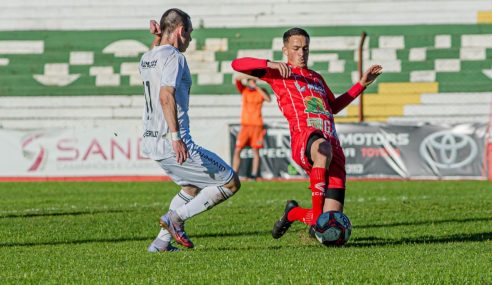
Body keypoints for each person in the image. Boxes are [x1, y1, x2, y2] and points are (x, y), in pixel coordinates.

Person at [231, 27, 382, 239]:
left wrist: (361, 85)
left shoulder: (316, 78)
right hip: (306, 137)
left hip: (332, 145)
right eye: (296, 48)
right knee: (322, 150)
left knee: (330, 225)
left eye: (305, 48)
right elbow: (237, 64)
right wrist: (270, 64)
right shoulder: (278, 73)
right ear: (285, 50)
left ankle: (293, 213)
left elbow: (334, 107)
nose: (302, 53)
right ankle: (315, 218)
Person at [139, 8, 241, 252]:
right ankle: (176, 219)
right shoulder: (174, 56)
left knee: (191, 187)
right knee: (230, 182)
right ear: (181, 31)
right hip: (171, 140)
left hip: (151, 141)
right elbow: (166, 95)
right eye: (190, 33)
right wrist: (176, 138)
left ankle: (161, 243)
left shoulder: (146, 57)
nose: (191, 40)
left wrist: (158, 37)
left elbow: (156, 55)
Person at [232, 76, 271, 180]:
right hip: (245, 125)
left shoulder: (260, 91)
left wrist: (257, 87)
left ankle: (254, 175)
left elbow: (268, 99)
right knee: (237, 149)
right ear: (248, 81)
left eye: (254, 80)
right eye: (251, 80)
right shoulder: (244, 90)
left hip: (257, 125)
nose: (253, 82)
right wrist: (249, 75)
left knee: (256, 151)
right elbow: (237, 79)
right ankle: (234, 173)